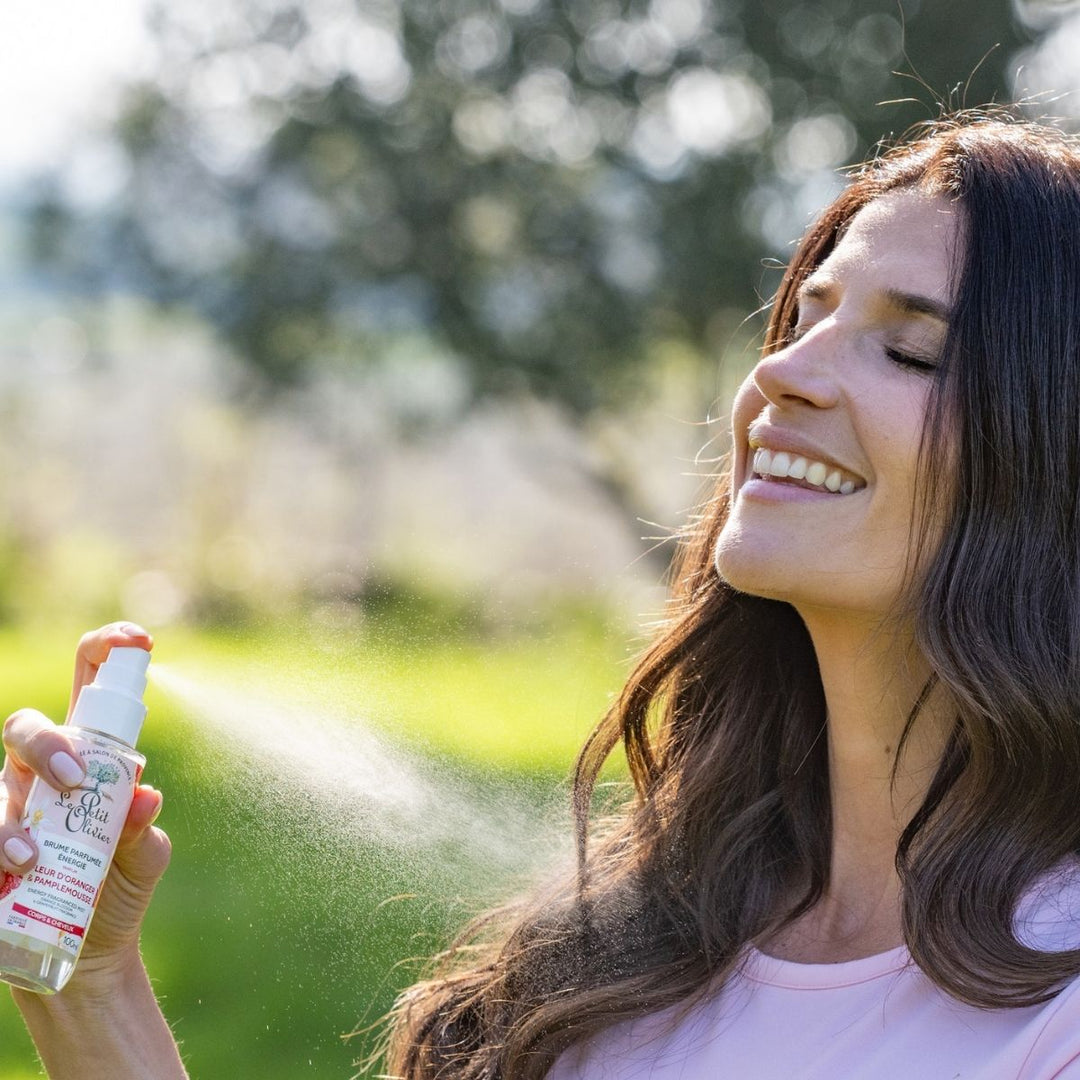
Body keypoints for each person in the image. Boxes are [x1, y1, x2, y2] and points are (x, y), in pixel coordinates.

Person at [9, 108, 1080, 1079]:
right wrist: (90, 989)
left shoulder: (1051, 1016)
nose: (783, 376)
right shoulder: (641, 952)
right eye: (804, 320)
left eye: (907, 350)